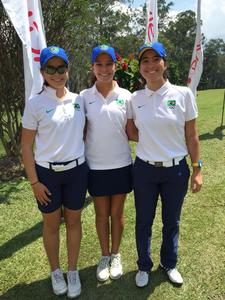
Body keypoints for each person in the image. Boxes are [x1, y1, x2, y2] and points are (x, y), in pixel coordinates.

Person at [127, 42, 203, 287]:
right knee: (143, 221)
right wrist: (152, 139)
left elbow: (192, 135)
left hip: (176, 170)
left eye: (155, 59)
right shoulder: (135, 98)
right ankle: (144, 266)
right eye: (145, 61)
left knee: (172, 220)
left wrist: (197, 168)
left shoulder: (183, 94)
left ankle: (169, 263)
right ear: (140, 68)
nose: (150, 65)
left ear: (165, 63)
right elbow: (130, 130)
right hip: (144, 170)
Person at [21, 46, 88, 298]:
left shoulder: (78, 100)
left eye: (62, 68)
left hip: (77, 172)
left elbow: (82, 133)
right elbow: (26, 146)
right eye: (51, 68)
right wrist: (34, 182)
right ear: (43, 71)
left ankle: (72, 270)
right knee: (51, 224)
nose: (57, 73)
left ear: (68, 69)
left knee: (74, 221)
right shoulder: (35, 103)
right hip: (46, 175)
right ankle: (56, 271)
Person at [80, 44, 134, 282]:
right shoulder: (83, 98)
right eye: (99, 64)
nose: (104, 69)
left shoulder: (127, 97)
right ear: (93, 67)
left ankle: (116, 254)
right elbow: (79, 133)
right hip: (96, 166)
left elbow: (134, 131)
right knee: (101, 215)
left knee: (117, 213)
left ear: (115, 65)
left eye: (108, 64)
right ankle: (104, 256)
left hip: (121, 164)